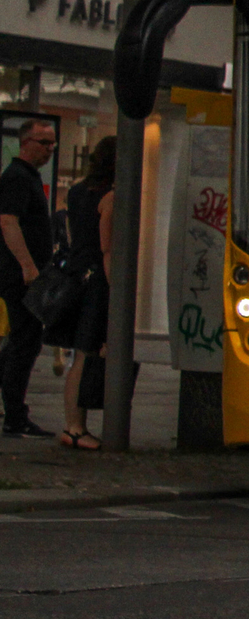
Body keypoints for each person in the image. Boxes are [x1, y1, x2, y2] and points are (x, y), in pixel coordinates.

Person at [53, 136, 112, 451]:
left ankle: (72, 424)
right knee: (87, 353)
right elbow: (107, 248)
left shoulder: (76, 193)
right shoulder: (110, 196)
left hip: (77, 276)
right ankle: (76, 427)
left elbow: (76, 235)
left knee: (79, 355)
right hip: (97, 281)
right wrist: (117, 285)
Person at [0, 115, 55, 438]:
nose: (49, 150)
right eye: (43, 143)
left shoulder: (28, 176)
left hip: (26, 272)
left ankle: (15, 412)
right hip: (21, 274)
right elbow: (8, 222)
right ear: (25, 143)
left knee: (23, 340)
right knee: (25, 342)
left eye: (52, 144)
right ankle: (16, 417)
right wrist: (28, 266)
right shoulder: (18, 177)